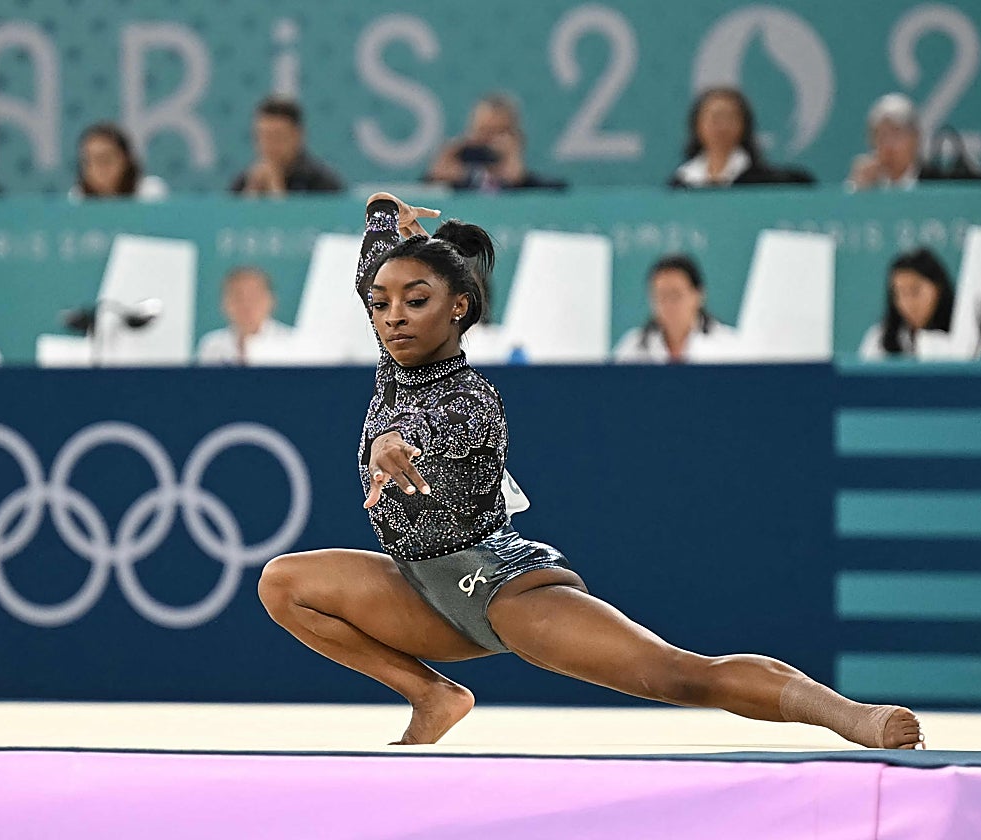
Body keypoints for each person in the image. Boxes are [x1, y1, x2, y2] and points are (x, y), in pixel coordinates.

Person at [257, 191, 924, 750]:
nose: (392, 316)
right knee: (284, 583)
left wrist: (389, 444)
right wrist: (382, 214)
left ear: (458, 305)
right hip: (421, 588)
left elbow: (431, 428)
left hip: (500, 589)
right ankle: (432, 693)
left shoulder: (472, 398)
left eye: (415, 300)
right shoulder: (391, 362)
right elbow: (373, 271)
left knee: (678, 675)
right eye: (381, 304)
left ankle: (852, 716)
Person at [858, 247, 981, 359]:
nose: (907, 303)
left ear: (938, 288)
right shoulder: (879, 339)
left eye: (915, 291)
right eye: (899, 293)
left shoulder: (969, 334)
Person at [668, 88, 814, 189]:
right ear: (697, 125)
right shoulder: (680, 183)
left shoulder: (766, 182)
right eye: (714, 118)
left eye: (729, 117)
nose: (721, 126)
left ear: (744, 125)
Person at [425, 93, 566, 192]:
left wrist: (512, 156)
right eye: (483, 131)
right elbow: (434, 179)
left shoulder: (530, 184)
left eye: (499, 132)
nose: (489, 140)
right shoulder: (460, 173)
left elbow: (516, 178)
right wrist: (452, 150)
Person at [613, 255, 740, 363]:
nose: (668, 304)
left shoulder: (729, 346)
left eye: (675, 295)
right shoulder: (632, 347)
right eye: (661, 296)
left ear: (699, 295)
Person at [230, 97, 343, 196]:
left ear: (298, 136)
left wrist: (276, 189)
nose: (268, 145)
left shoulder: (323, 185)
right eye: (262, 137)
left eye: (277, 137)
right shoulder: (242, 183)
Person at [196, 266, 295, 365]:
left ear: (271, 301)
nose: (246, 305)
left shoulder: (291, 343)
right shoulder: (211, 345)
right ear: (224, 303)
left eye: (254, 297)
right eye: (238, 297)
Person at [846, 94, 940, 192]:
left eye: (896, 134)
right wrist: (857, 189)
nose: (888, 144)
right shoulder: (869, 183)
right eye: (881, 136)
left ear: (915, 137)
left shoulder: (938, 181)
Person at [69, 123, 168, 200]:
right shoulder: (77, 197)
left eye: (105, 158)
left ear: (126, 159)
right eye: (89, 160)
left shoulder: (150, 192)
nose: (98, 166)